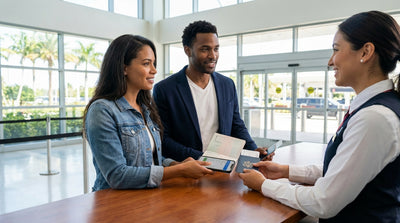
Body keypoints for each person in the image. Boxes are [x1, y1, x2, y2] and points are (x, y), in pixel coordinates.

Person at [239, 10, 400, 222]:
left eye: (336, 50)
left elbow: (323, 202)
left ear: (366, 52)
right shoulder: (375, 107)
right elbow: (343, 170)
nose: (330, 61)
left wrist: (263, 185)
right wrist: (285, 171)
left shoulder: (375, 118)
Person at [83, 34, 213, 191]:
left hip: (146, 200)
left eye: (154, 63)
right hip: (113, 205)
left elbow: (149, 159)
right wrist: (179, 171)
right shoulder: (102, 110)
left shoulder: (145, 107)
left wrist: (175, 164)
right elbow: (117, 175)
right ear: (124, 68)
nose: (154, 70)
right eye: (146, 64)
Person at [153, 20, 273, 162]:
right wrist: (202, 158)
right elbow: (163, 139)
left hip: (224, 168)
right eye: (205, 49)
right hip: (185, 169)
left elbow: (236, 125)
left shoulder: (227, 85)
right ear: (187, 50)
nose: (213, 55)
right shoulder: (165, 89)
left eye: (216, 49)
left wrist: (253, 149)